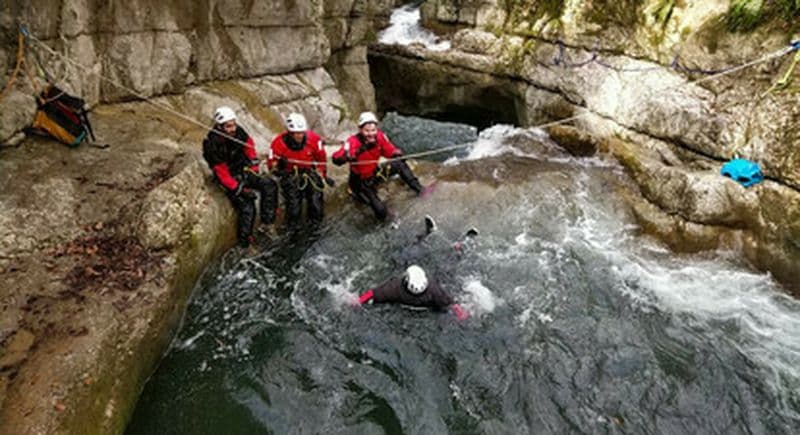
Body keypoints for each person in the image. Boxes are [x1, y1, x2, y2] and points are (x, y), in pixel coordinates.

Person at [356, 216, 475, 320]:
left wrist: (357, 302)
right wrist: (461, 314)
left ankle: (426, 234)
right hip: (429, 303)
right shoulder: (434, 290)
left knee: (407, 254)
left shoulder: (394, 289)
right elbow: (453, 305)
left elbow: (371, 294)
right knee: (447, 269)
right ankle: (460, 247)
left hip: (411, 304)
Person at [202, 106, 278, 247]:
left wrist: (253, 163)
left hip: (243, 170)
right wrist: (238, 189)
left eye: (233, 124)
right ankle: (245, 244)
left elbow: (248, 144)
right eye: (228, 126)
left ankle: (267, 224)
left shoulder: (238, 132)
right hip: (229, 178)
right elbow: (221, 171)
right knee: (247, 207)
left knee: (269, 185)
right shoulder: (212, 145)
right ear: (220, 127)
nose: (233, 128)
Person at [331, 111, 425, 220]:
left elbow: (388, 150)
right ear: (360, 130)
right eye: (367, 131)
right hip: (361, 182)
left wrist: (395, 153)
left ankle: (420, 190)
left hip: (374, 173)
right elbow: (336, 159)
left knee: (399, 164)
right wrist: (346, 157)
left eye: (373, 130)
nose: (371, 134)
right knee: (381, 211)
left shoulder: (380, 137)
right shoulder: (352, 142)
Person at [268, 113, 334, 225]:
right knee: (294, 209)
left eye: (302, 133)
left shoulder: (314, 140)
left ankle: (316, 227)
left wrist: (323, 174)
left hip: (308, 172)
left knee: (316, 204)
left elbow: (321, 160)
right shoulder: (277, 144)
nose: (300, 136)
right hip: (289, 174)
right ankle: (293, 231)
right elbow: (271, 166)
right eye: (296, 133)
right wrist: (280, 167)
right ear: (290, 133)